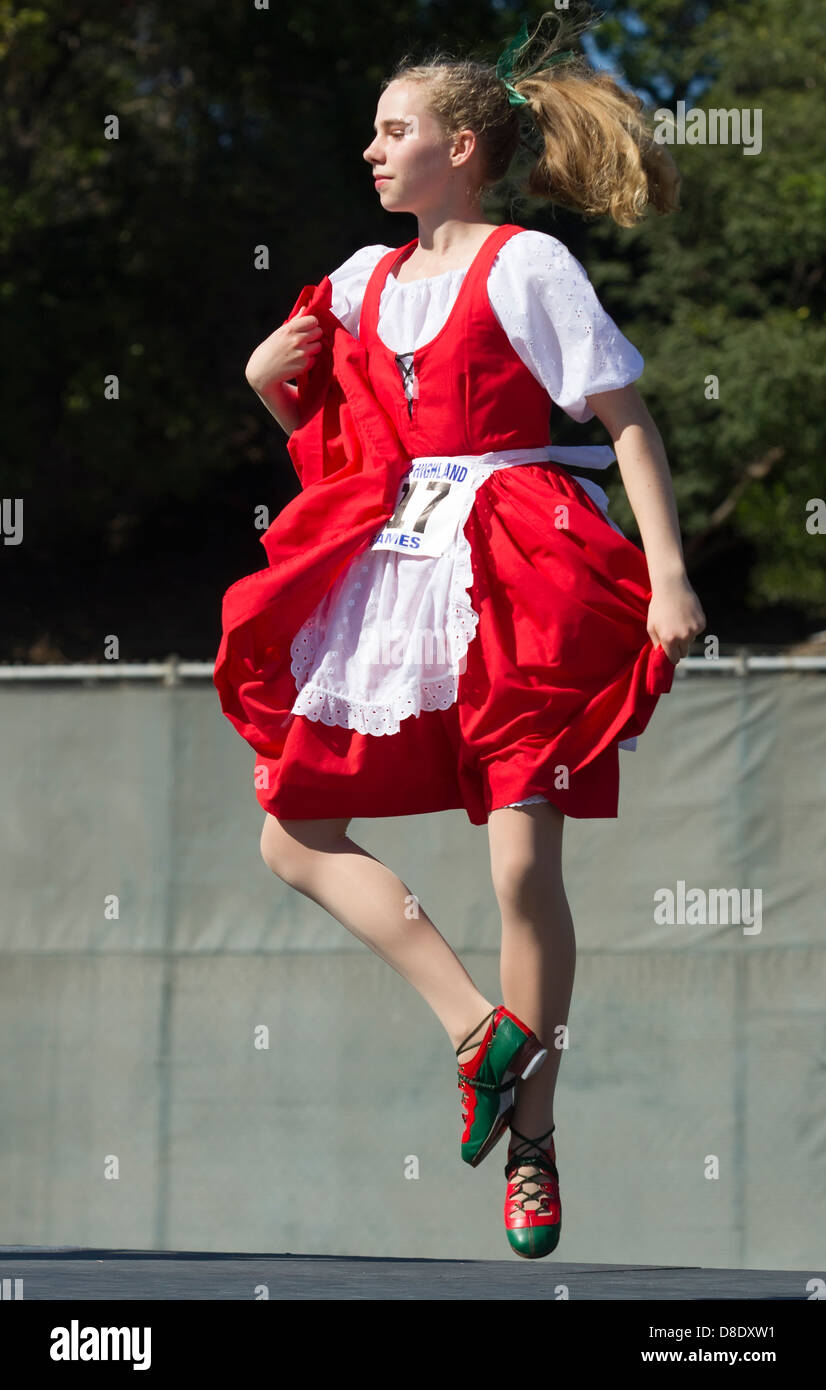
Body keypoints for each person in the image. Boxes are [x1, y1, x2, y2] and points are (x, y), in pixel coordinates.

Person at [213, 10, 706, 1259]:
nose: (371, 150)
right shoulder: (356, 281)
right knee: (289, 833)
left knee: (517, 864)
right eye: (373, 131)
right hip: (396, 571)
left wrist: (668, 575)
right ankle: (474, 1027)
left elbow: (627, 418)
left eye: (394, 130)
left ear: (465, 146)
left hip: (521, 565)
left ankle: (531, 1146)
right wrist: (266, 377)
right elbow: (338, 447)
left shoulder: (528, 265)